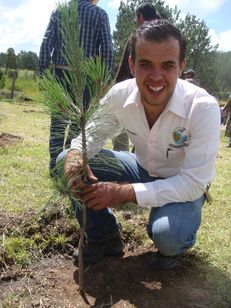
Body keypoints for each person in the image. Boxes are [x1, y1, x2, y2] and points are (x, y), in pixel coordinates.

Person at [58, 20, 220, 270]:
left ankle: (171, 250)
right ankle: (104, 238)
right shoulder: (120, 94)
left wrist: (122, 192)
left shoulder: (203, 107)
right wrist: (76, 157)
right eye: (146, 65)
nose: (156, 77)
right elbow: (88, 136)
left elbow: (194, 183)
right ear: (132, 65)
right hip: (139, 167)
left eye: (167, 66)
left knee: (168, 235)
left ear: (181, 66)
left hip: (182, 183)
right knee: (66, 159)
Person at [38, 0, 113, 176]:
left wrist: (43, 74)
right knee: (79, 126)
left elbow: (46, 42)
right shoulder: (100, 14)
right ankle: (69, 166)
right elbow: (107, 49)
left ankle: (55, 169)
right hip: (87, 78)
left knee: (57, 125)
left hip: (60, 75)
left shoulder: (60, 11)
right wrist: (105, 80)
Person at [113, 2, 161, 152]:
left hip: (133, 91)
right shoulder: (168, 35)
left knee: (120, 129)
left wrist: (116, 89)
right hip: (159, 94)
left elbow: (125, 69)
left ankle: (122, 163)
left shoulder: (137, 36)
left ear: (140, 16)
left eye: (136, 17)